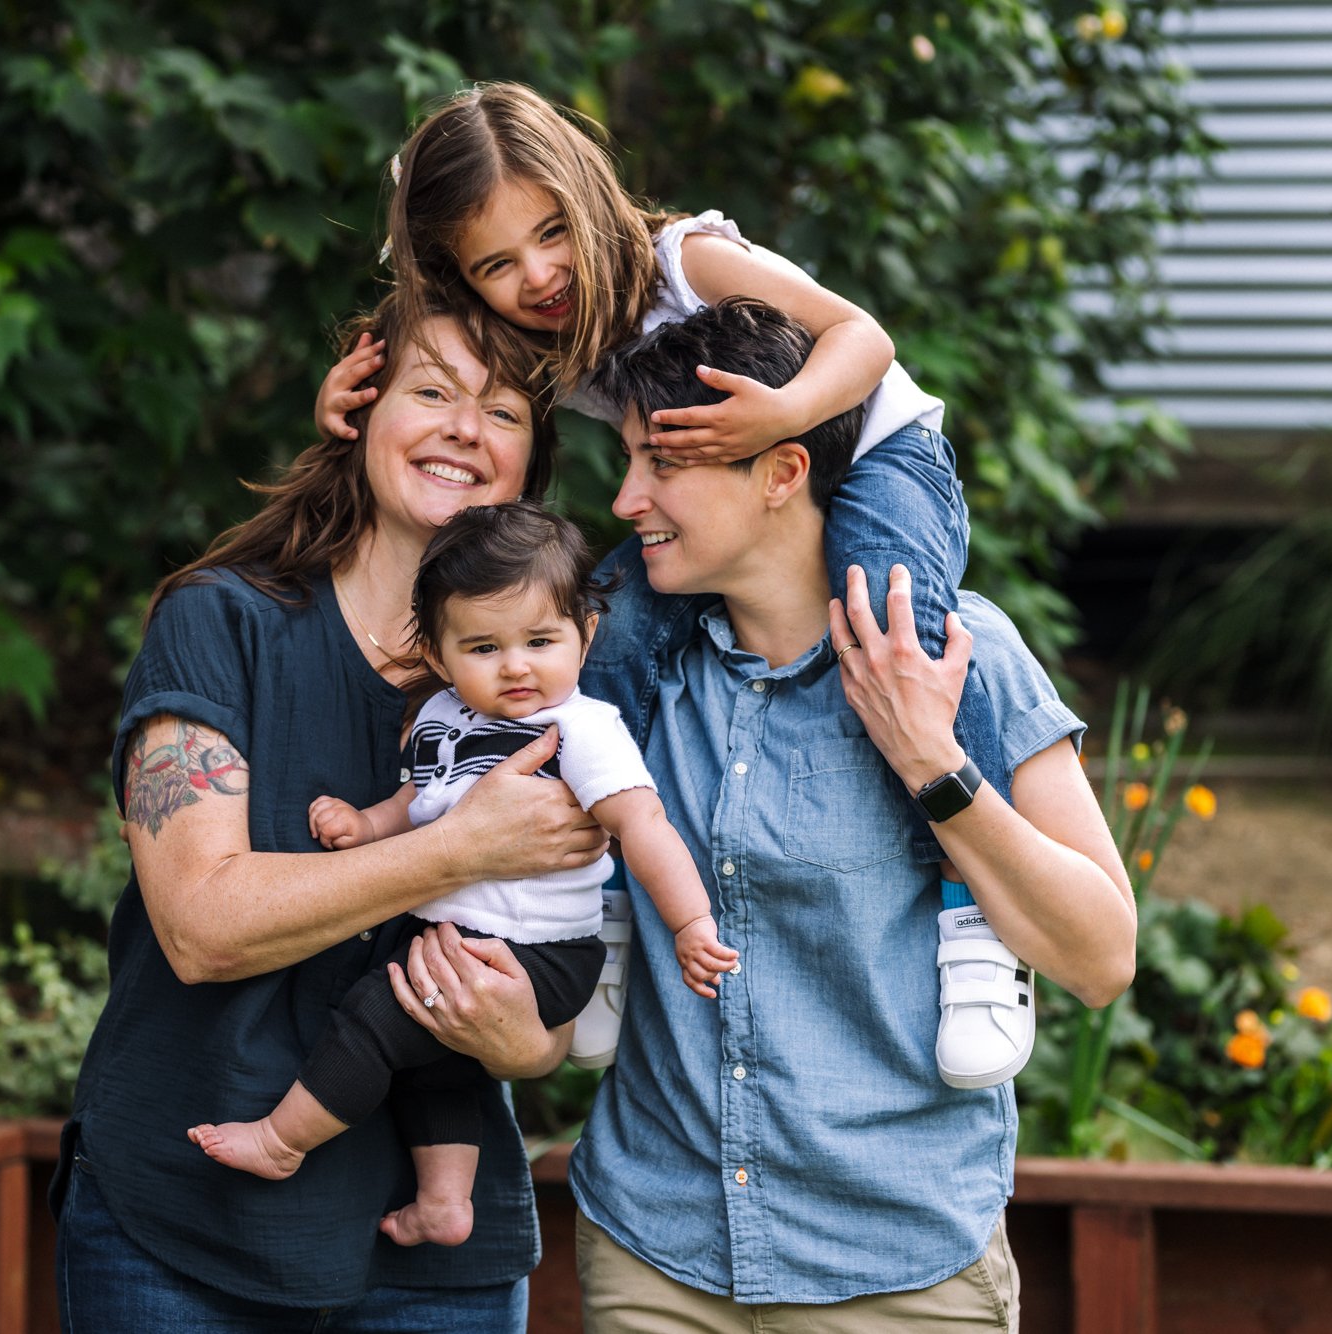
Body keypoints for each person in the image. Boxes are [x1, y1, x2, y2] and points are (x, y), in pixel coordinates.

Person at [316, 82, 1028, 1087]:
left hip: (873, 449)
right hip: (717, 496)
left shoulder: (681, 261)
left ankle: (976, 923)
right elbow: (424, 360)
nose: (537, 273)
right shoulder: (521, 330)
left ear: (586, 194)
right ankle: (597, 905)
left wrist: (778, 413)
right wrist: (347, 385)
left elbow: (863, 338)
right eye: (495, 263)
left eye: (551, 231)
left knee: (899, 624)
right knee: (599, 652)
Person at [572, 298, 1136, 1330]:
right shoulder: (626, 676)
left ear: (782, 471)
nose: (623, 499)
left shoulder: (962, 656)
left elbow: (1099, 956)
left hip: (898, 1272)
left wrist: (934, 763)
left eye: (660, 462)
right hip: (654, 1255)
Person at [51, 294, 604, 1332]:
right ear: (357, 409)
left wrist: (525, 1043)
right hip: (186, 1222)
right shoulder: (219, 620)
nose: (461, 428)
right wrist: (455, 848)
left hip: (438, 1244)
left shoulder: (555, 682)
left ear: (530, 464)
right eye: (430, 391)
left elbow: (557, 984)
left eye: (502, 412)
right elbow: (201, 925)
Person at [186, 500, 736, 1250]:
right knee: (436, 1061)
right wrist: (368, 825)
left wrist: (690, 922)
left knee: (377, 1015)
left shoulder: (578, 728)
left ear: (587, 634)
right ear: (441, 657)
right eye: (483, 647)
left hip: (538, 950)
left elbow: (644, 825)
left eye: (541, 639)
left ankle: (282, 1142)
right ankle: (446, 1201)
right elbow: (422, 799)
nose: (515, 665)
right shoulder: (445, 715)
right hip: (461, 929)